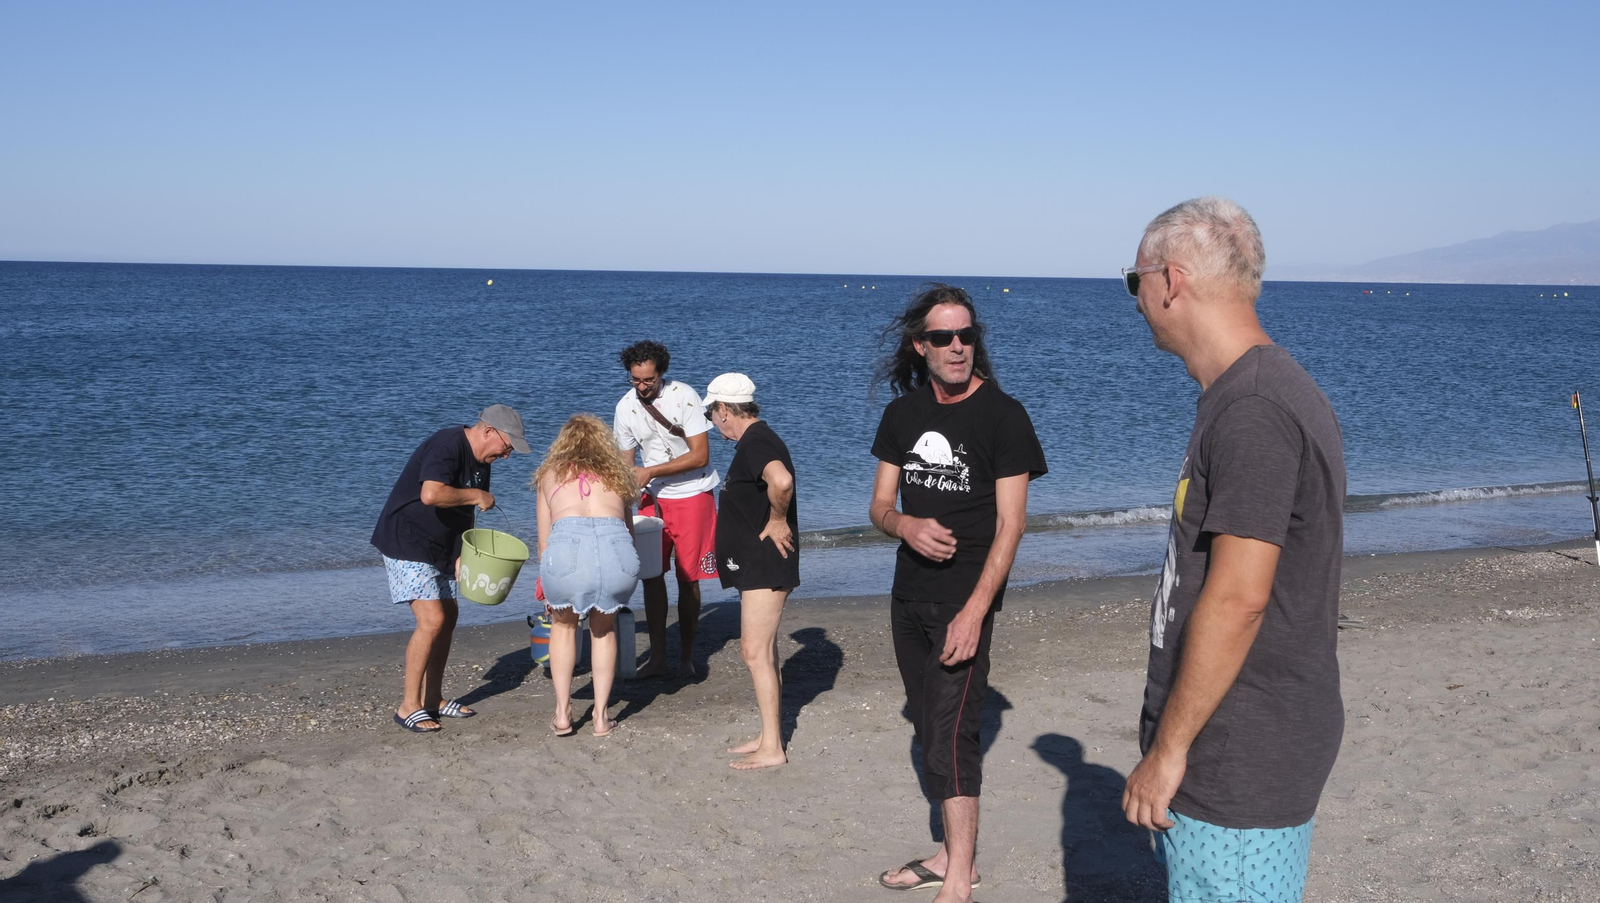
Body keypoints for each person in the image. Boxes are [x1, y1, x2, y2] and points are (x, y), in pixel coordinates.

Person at [1119, 197, 1347, 903]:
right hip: (1243, 739)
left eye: (1135, 281)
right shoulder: (1249, 392)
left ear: (1172, 280)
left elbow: (1241, 596)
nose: (1136, 299)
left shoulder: (1253, 407)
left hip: (1238, 749)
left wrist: (1168, 751)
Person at [868, 285, 1047, 903]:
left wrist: (975, 612)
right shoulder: (902, 415)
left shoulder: (1004, 416)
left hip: (962, 602)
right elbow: (879, 506)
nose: (957, 347)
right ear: (921, 346)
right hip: (906, 597)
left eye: (966, 335)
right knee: (926, 725)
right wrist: (905, 525)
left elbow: (1012, 525)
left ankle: (960, 877)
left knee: (952, 735)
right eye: (942, 338)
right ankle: (948, 852)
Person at [371, 405, 530, 733]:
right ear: (489, 432)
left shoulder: (481, 460)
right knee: (432, 620)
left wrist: (461, 554)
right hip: (408, 540)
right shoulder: (448, 444)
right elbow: (431, 494)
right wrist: (476, 494)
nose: (506, 456)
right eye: (507, 447)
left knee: (450, 616)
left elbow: (465, 512)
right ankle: (407, 706)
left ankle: (433, 699)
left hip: (441, 546)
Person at [703, 373, 799, 770]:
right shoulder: (756, 440)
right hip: (758, 563)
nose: (712, 422)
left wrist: (777, 519)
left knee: (753, 652)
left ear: (725, 409)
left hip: (766, 563)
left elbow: (782, 480)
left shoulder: (757, 441)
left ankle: (772, 749)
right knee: (766, 651)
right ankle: (769, 733)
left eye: (712, 413)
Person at [613, 340, 720, 678]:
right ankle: (658, 656)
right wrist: (620, 508)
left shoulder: (684, 395)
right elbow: (626, 466)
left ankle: (687, 656)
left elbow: (701, 455)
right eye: (635, 380)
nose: (642, 387)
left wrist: (652, 470)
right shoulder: (625, 407)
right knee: (651, 575)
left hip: (693, 494)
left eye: (648, 380)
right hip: (652, 500)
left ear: (661, 373)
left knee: (689, 578)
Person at [533, 414, 641, 738]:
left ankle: (563, 714)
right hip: (616, 550)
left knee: (564, 627)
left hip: (566, 548)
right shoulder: (619, 475)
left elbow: (543, 541)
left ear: (562, 444)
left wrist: (545, 585)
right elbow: (630, 533)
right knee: (603, 631)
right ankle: (600, 717)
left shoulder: (549, 475)